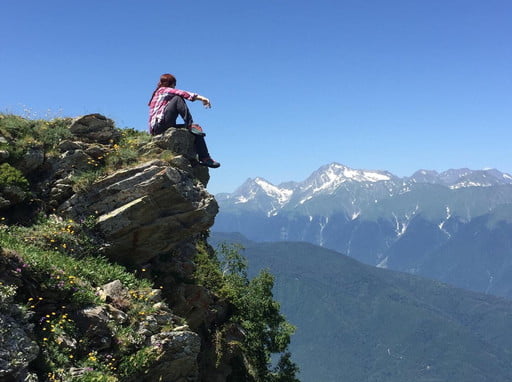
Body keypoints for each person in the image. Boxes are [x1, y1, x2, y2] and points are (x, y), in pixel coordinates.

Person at [148, 73, 220, 168]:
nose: (175, 87)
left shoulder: (161, 93)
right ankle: (190, 124)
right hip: (159, 125)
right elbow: (183, 93)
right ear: (172, 84)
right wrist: (203, 98)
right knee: (178, 98)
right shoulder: (162, 90)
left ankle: (205, 158)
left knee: (197, 130)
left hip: (160, 127)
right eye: (174, 84)